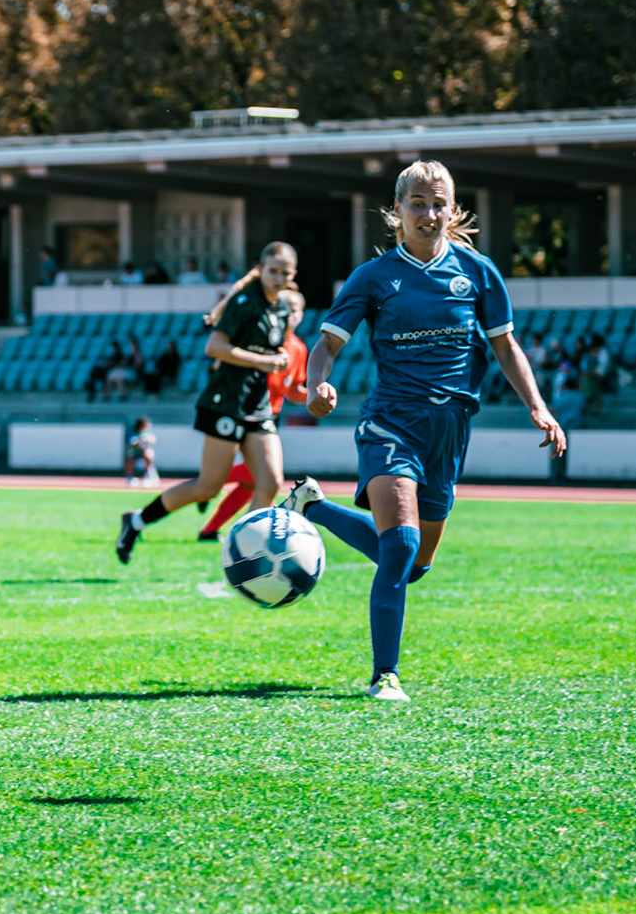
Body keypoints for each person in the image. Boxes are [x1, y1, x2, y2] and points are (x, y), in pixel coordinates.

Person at [279, 161, 565, 703]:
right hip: (391, 422)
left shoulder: (480, 272)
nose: (429, 214)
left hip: (450, 430)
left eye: (438, 204)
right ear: (397, 212)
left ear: (453, 210)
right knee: (402, 542)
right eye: (417, 203)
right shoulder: (374, 277)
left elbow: (506, 346)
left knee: (412, 566)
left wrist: (539, 406)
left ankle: (311, 506)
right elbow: (327, 345)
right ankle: (384, 675)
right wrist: (318, 385)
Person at [115, 243, 299, 564]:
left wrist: (278, 361)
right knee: (208, 487)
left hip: (257, 405)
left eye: (285, 272)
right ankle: (136, 521)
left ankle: (248, 552)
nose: (278, 277)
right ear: (261, 270)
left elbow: (271, 354)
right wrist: (260, 361)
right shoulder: (244, 302)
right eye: (273, 271)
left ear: (293, 275)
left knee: (270, 482)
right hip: (225, 402)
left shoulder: (281, 310)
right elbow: (214, 347)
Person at [197, 289, 310, 543]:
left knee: (252, 482)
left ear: (301, 315)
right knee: (259, 479)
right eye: (286, 308)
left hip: (268, 419)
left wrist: (313, 394)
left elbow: (292, 390)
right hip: (241, 412)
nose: (290, 315)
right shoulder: (261, 336)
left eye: (295, 310)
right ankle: (211, 495)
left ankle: (210, 529)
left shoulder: (299, 350)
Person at [124, 417, 158, 488]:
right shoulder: (133, 431)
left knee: (148, 455)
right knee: (129, 457)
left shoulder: (148, 432)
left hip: (144, 452)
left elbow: (153, 440)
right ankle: (129, 477)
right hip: (135, 452)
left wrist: (148, 440)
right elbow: (132, 441)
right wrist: (139, 441)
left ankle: (147, 476)